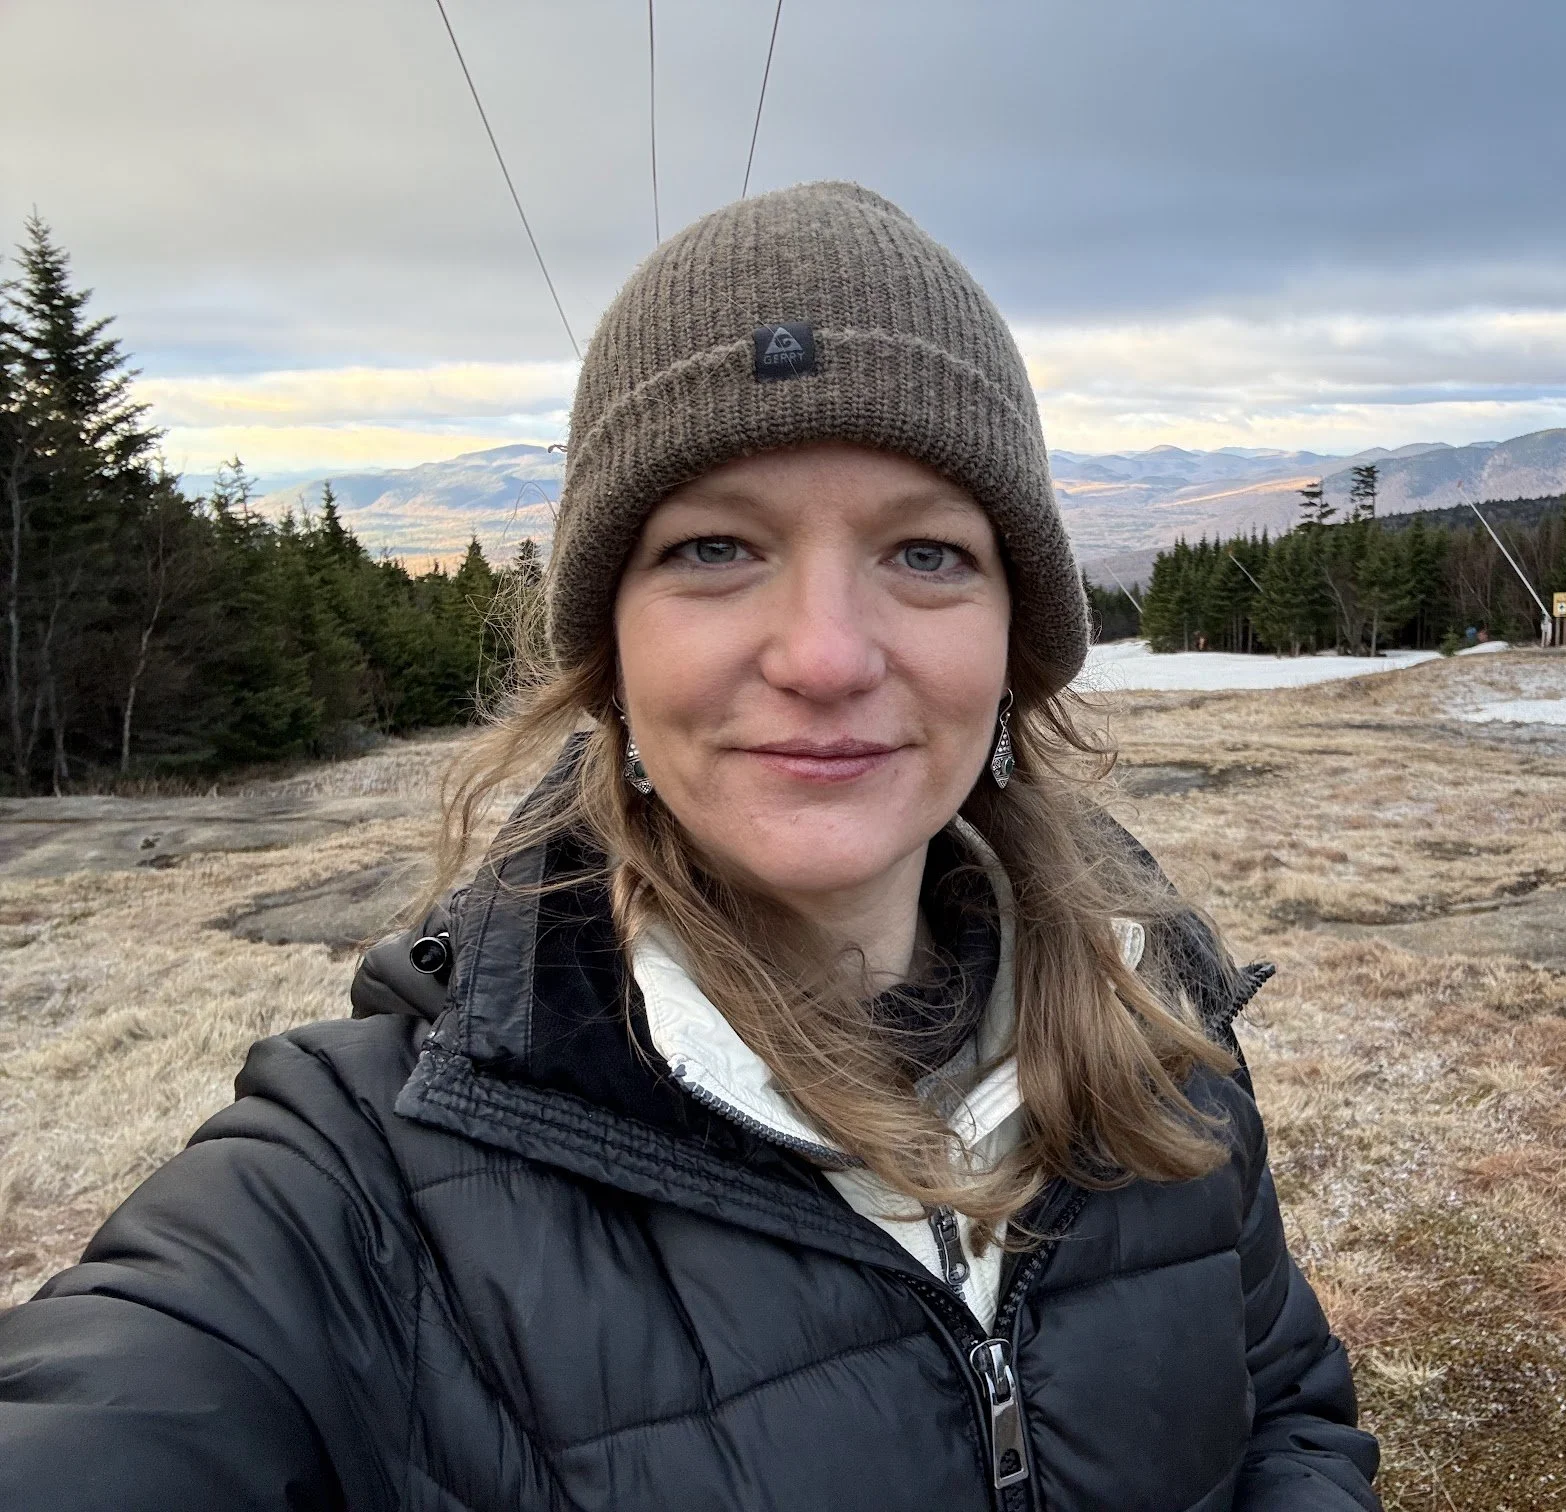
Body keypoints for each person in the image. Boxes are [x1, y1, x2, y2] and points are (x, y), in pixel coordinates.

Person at [0, 183, 1380, 1510]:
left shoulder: (1153, 1022)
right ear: (610, 656)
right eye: (716, 549)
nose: (829, 655)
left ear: (1016, 639)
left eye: (927, 554)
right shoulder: (355, 1190)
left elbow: (1289, 1416)